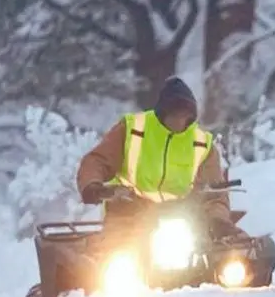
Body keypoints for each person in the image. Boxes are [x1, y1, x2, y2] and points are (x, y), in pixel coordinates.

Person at [76, 76, 241, 238]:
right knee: (106, 261)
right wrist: (93, 186)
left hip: (183, 226)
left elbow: (215, 192)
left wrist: (217, 218)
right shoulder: (132, 129)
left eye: (185, 115)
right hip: (127, 218)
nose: (179, 120)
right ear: (162, 113)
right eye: (174, 114)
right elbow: (97, 161)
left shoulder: (201, 144)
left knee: (234, 257)